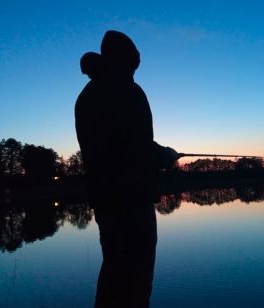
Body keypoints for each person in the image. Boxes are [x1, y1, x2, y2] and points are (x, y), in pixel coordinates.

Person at [75, 30, 178, 307]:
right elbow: (137, 147)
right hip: (131, 200)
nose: (135, 69)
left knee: (114, 270)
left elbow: (123, 144)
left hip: (106, 200)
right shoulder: (126, 91)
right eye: (133, 62)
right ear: (123, 60)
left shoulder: (87, 95)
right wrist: (167, 156)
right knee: (136, 277)